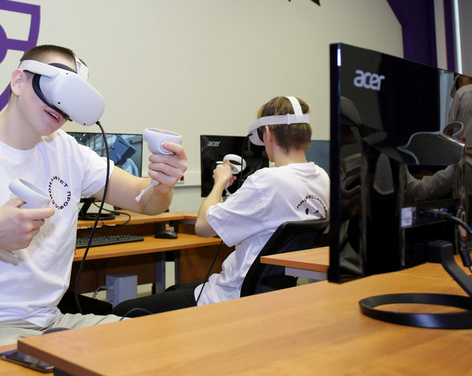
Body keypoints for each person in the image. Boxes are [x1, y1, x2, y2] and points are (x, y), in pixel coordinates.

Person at [0, 44, 187, 375]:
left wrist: (163, 184)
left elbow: (147, 202)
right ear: (18, 81)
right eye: (57, 87)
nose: (60, 105)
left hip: (49, 323)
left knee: (156, 351)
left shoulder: (68, 152)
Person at [112, 96, 329, 316]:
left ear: (268, 134)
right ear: (309, 133)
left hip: (233, 298)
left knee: (122, 311)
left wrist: (219, 183)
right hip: (276, 297)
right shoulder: (322, 179)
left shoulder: (267, 181)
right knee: (175, 290)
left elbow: (203, 227)